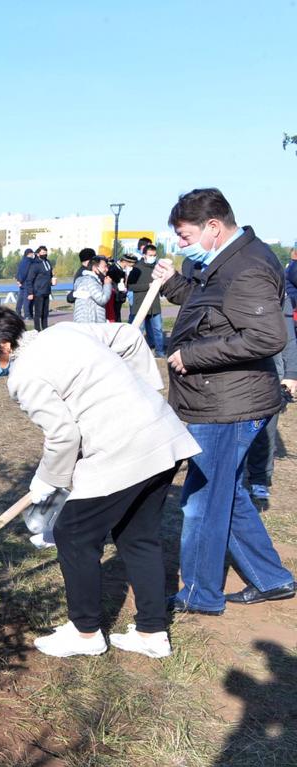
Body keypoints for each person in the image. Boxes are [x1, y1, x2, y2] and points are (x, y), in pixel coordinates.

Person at [0, 307, 200, 658]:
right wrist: (142, 392)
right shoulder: (63, 331)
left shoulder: (23, 376)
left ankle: (85, 633)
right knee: (137, 536)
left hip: (124, 450)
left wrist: (46, 482)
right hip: (162, 434)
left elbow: (63, 436)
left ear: (5, 345)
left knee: (73, 533)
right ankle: (152, 632)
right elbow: (129, 337)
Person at [155, 188, 295, 612]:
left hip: (227, 405)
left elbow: (267, 336)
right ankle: (272, 578)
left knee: (200, 502)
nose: (180, 244)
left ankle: (200, 593)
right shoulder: (226, 261)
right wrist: (173, 283)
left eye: (184, 235)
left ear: (214, 227)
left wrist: (192, 355)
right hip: (220, 399)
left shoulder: (247, 267)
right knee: (227, 495)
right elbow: (212, 310)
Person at [244, 291, 297, 507]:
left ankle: (259, 479)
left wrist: (292, 374)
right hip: (235, 372)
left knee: (265, 429)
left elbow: (289, 338)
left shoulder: (278, 294)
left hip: (270, 374)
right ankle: (230, 477)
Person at [125, 243, 166, 356]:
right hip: (140, 305)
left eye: (154, 255)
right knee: (139, 330)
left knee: (157, 329)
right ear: (144, 255)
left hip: (155, 306)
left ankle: (160, 351)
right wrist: (147, 286)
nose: (153, 257)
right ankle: (135, 352)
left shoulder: (157, 268)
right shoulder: (137, 269)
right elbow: (130, 286)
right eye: (150, 255)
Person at [71, 254, 112, 323]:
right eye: (104, 267)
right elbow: (102, 299)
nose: (107, 269)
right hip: (90, 322)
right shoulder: (90, 281)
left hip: (88, 322)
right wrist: (107, 284)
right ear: (95, 268)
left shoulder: (88, 280)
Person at [23, 245, 55, 331]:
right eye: (43, 252)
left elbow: (50, 274)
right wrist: (30, 293)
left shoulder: (47, 262)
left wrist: (52, 281)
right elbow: (29, 280)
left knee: (45, 312)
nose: (45, 254)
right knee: (38, 313)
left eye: (46, 252)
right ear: (38, 254)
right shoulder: (35, 265)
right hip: (38, 291)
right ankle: (37, 329)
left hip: (47, 290)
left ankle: (45, 328)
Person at [15, 248, 35, 319]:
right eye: (32, 253)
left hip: (22, 283)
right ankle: (27, 315)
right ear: (29, 254)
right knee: (27, 300)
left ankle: (17, 313)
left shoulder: (22, 261)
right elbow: (24, 272)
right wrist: (20, 280)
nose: (33, 255)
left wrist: (18, 280)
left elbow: (18, 271)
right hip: (26, 282)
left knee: (20, 299)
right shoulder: (28, 262)